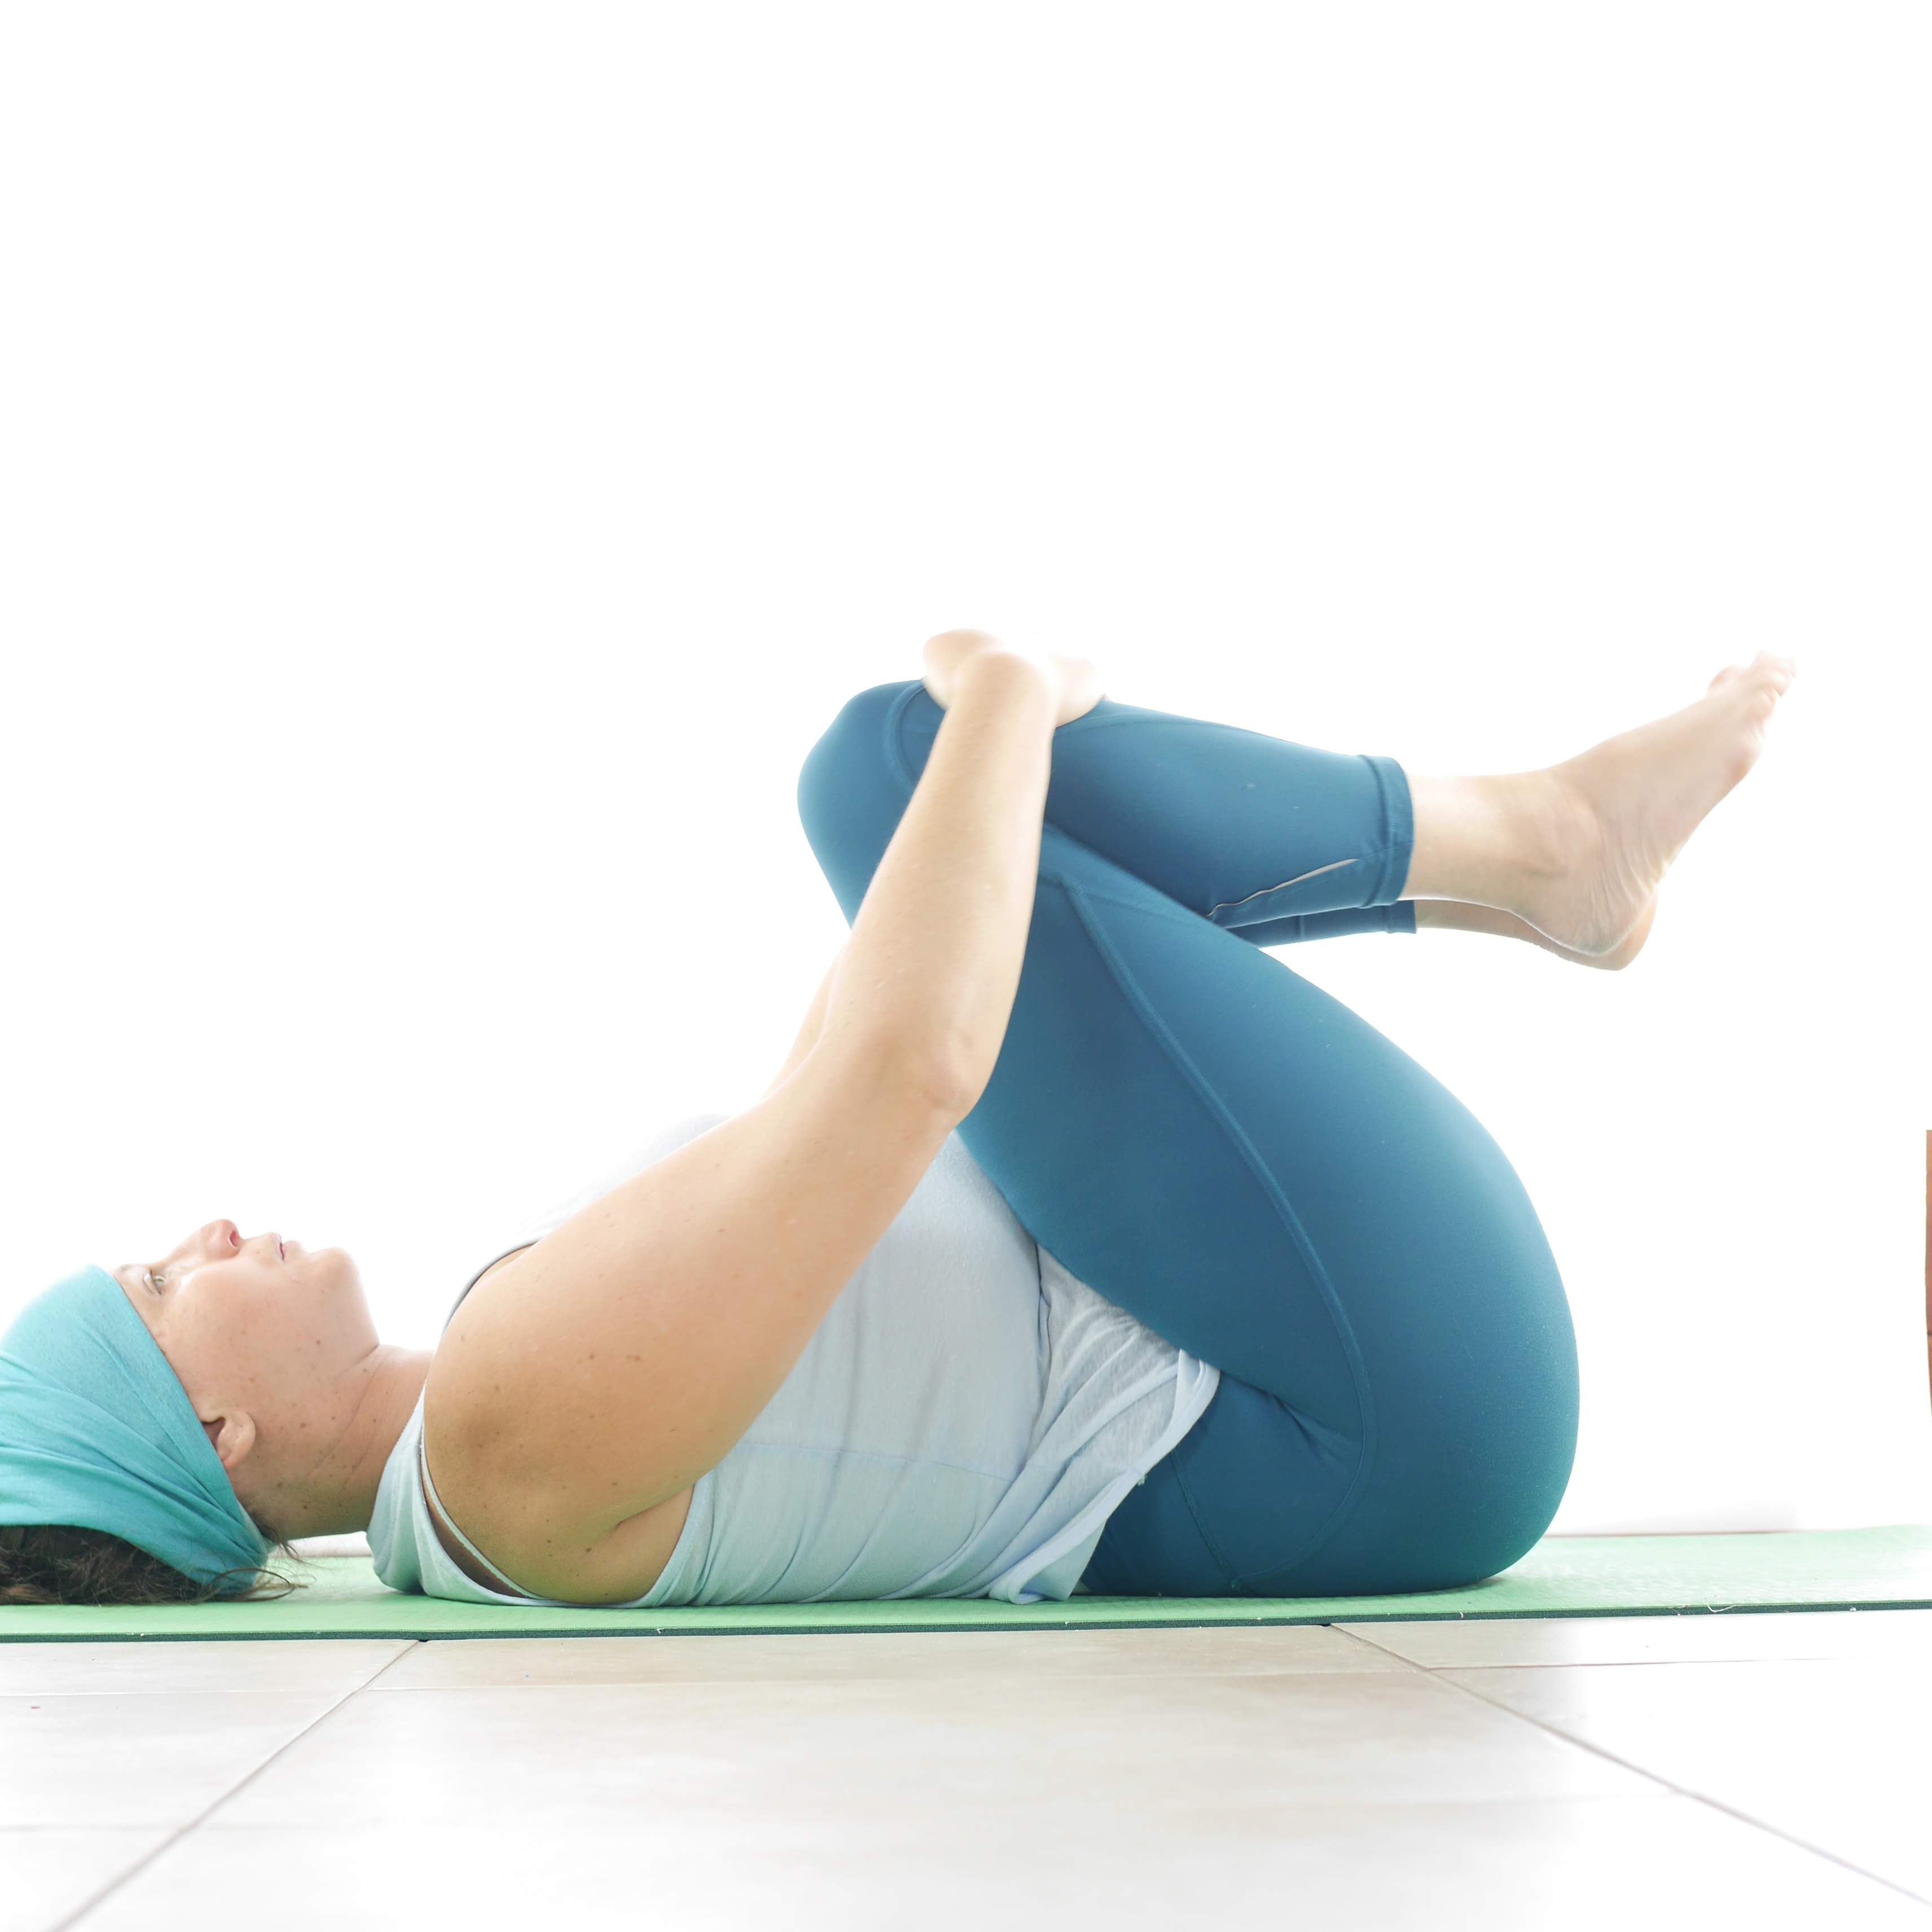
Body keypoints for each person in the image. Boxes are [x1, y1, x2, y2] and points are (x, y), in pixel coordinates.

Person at [0, 633, 1797, 1608]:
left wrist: (988, 773)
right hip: (1364, 1418)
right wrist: (1013, 692)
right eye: (166, 1285)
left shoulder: (495, 1398)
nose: (211, 1232)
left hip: (1295, 1364)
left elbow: (833, 1087)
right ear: (215, 1432)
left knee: (922, 801)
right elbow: (905, 1077)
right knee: (886, 762)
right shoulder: (495, 1436)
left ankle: (1548, 852)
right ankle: (1545, 849)